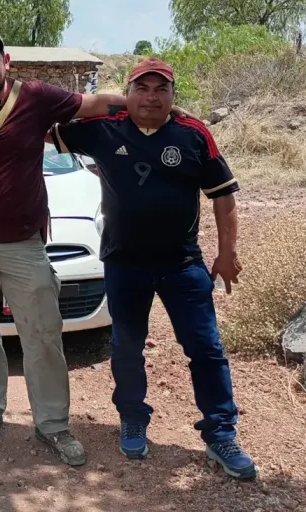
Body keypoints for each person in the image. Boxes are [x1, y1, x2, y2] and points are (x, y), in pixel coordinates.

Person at [0, 25, 194, 466]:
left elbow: (94, 104)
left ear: (5, 62)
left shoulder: (34, 97)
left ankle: (53, 423)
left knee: (43, 335)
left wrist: (152, 107)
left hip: (25, 245)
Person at [50, 57, 257, 480]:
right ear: (127, 93)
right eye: (141, 88)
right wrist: (109, 103)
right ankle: (133, 418)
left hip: (182, 264)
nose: (151, 97)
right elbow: (43, 123)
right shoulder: (104, 130)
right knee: (127, 347)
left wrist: (227, 253)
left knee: (206, 348)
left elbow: (223, 196)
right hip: (124, 262)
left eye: (161, 89)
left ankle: (221, 433)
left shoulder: (193, 133)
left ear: (173, 95)